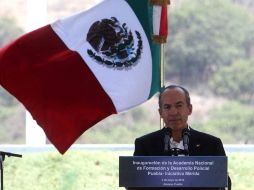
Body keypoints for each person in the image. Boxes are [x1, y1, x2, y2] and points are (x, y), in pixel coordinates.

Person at [129, 85, 231, 190]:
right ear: (161, 113)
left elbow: (224, 183)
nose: (173, 112)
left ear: (189, 109)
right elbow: (135, 184)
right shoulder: (145, 144)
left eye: (179, 105)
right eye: (167, 107)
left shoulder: (212, 144)